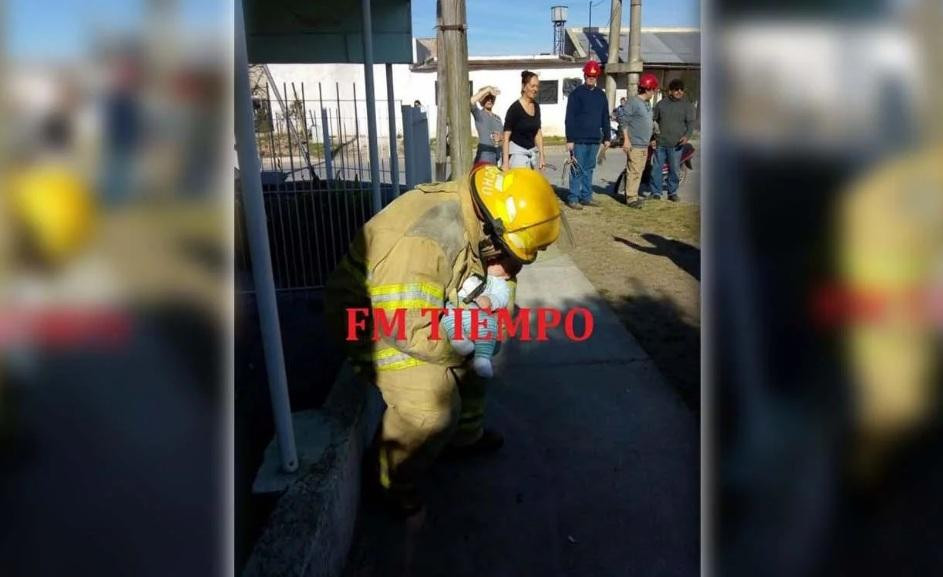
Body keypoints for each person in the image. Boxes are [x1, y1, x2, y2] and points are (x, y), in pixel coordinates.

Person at [325, 165, 562, 515]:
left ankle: (464, 438)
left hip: (416, 311)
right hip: (371, 322)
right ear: (495, 234)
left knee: (478, 360)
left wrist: (495, 296)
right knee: (430, 408)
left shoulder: (481, 217)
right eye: (512, 257)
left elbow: (494, 289)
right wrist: (462, 349)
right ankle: (392, 482)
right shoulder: (429, 239)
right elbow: (409, 329)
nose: (517, 267)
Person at [438, 261, 512, 379]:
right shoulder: (477, 268)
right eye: (493, 261)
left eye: (500, 263)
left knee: (488, 327)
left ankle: (482, 359)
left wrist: (490, 300)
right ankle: (459, 340)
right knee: (447, 315)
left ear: (506, 275)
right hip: (456, 303)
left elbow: (502, 297)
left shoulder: (500, 283)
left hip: (478, 311)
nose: (494, 263)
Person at [564, 60, 610, 210]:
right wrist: (570, 139)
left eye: (594, 76)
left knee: (589, 168)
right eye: (589, 75)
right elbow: (569, 118)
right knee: (577, 168)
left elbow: (605, 116)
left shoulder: (601, 96)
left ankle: (586, 196)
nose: (591, 78)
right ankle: (573, 197)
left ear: (597, 76)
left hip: (594, 139)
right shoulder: (576, 94)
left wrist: (608, 137)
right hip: (578, 140)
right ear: (584, 75)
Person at [652, 79, 696, 202]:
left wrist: (686, 136)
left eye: (681, 89)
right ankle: (656, 193)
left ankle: (672, 193)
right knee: (656, 169)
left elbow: (691, 124)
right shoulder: (661, 104)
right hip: (660, 142)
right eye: (676, 89)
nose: (679, 91)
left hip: (676, 144)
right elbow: (653, 121)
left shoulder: (687, 106)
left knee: (674, 170)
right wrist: (652, 138)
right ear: (670, 91)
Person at [620, 72, 659, 206]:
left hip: (644, 144)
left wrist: (652, 138)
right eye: (653, 89)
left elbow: (649, 123)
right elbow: (624, 121)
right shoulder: (633, 102)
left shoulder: (647, 104)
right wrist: (626, 140)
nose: (654, 92)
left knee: (639, 171)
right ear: (648, 88)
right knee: (634, 170)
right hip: (634, 144)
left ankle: (633, 195)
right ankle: (631, 198)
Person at [502, 71, 546, 170]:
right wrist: (505, 163)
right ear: (524, 86)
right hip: (517, 156)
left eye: (537, 86)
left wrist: (542, 156)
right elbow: (506, 136)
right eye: (532, 86)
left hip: (530, 154)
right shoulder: (514, 109)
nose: (535, 89)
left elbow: (538, 132)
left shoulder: (536, 106)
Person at [470, 86, 504, 166]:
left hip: (496, 158)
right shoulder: (479, 114)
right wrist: (488, 89)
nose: (489, 100)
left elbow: (503, 139)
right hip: (483, 158)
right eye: (486, 97)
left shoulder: (498, 118)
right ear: (481, 100)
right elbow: (471, 101)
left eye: (491, 97)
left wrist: (501, 138)